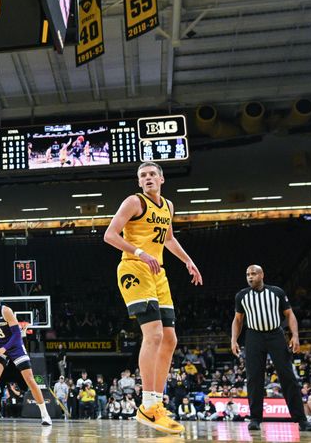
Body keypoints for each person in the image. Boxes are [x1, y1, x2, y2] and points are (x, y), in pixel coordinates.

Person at [104, 161, 203, 435]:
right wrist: (139, 253)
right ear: (139, 182)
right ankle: (147, 405)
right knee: (155, 335)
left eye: (151, 174)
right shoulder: (133, 202)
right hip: (134, 268)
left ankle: (156, 406)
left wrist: (187, 261)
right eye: (142, 175)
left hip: (158, 272)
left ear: (161, 179)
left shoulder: (168, 206)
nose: (147, 178)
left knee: (170, 339)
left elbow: (168, 239)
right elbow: (109, 235)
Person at [231, 265, 311, 432]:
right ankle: (255, 418)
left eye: (253, 274)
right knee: (254, 378)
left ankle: (301, 420)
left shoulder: (276, 292)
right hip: (253, 336)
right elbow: (238, 320)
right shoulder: (241, 296)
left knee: (288, 377)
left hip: (276, 336)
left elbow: (290, 314)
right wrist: (234, 339)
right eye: (247, 274)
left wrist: (295, 336)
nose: (250, 277)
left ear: (262, 275)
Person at [0, 287, 51, 425]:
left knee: (30, 380)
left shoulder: (5, 311)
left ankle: (45, 415)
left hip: (15, 346)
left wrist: (4, 348)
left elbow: (16, 335)